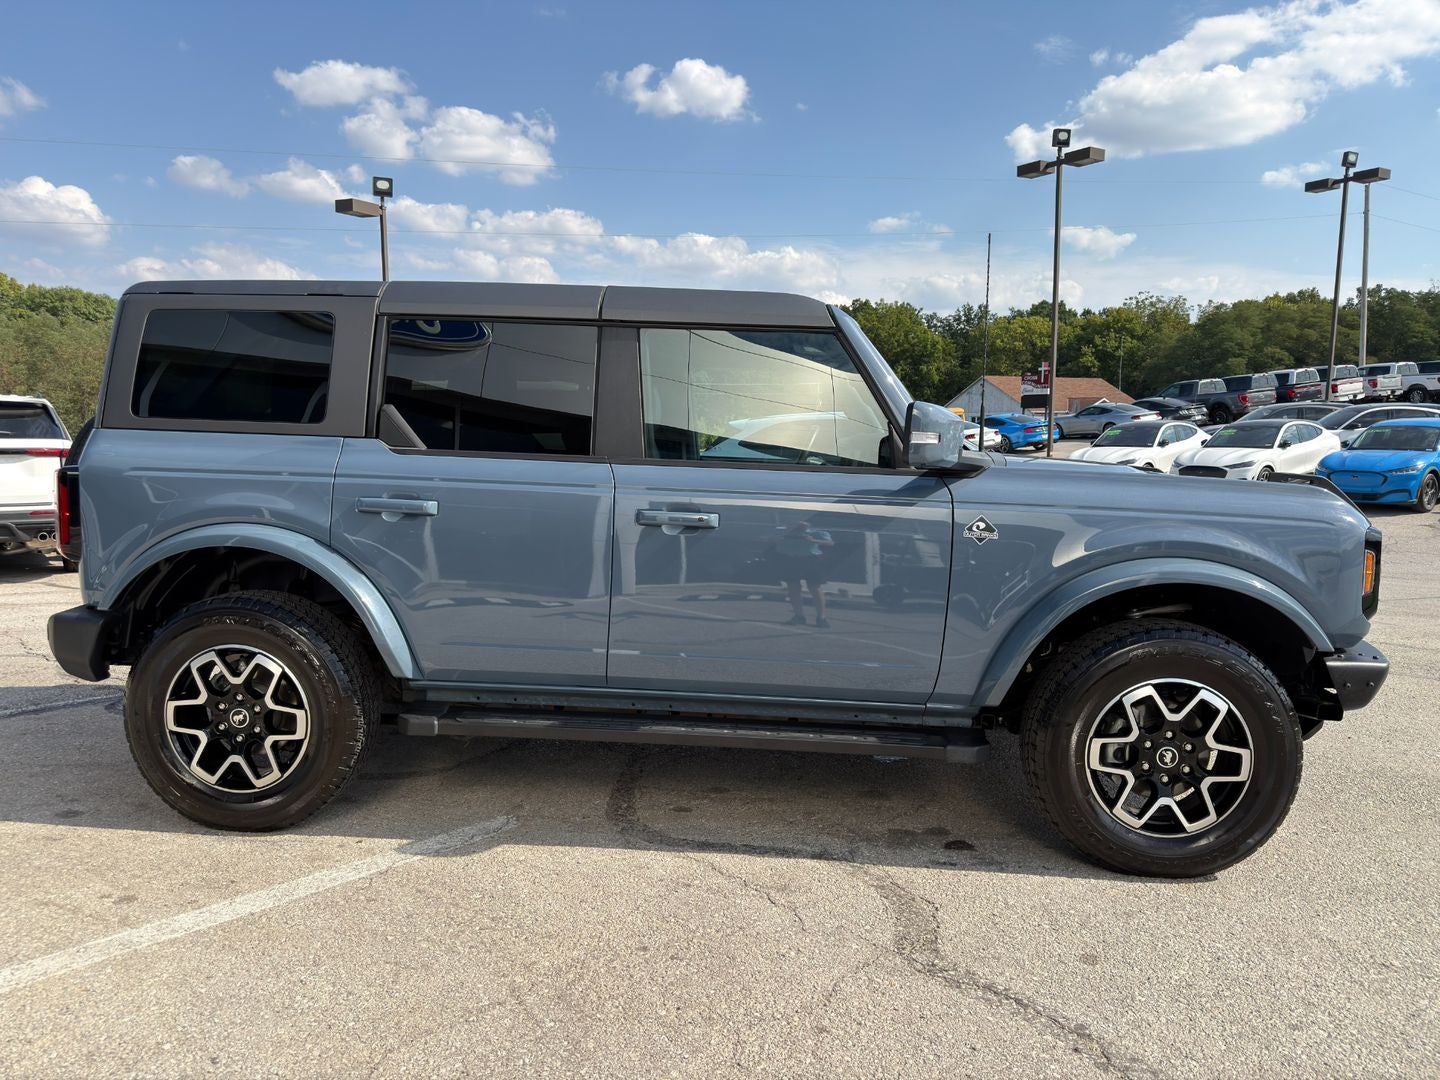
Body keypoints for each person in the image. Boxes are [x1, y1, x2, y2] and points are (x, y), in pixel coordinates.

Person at [773, 520, 834, 628]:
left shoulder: (816, 532)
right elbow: (770, 538)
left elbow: (830, 543)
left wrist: (813, 540)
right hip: (790, 559)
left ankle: (821, 617)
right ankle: (799, 615)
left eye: (803, 522)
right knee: (793, 587)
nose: (799, 524)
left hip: (811, 560)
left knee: (814, 588)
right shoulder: (783, 531)